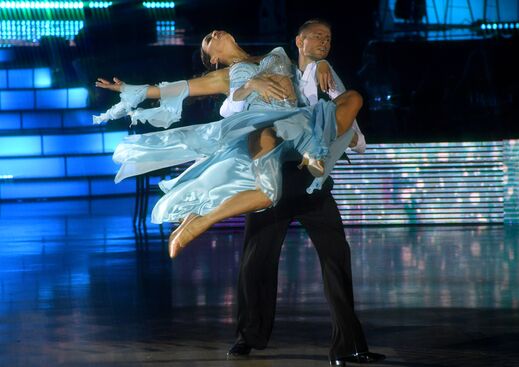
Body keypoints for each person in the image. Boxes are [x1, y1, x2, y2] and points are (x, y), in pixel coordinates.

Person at [94, 29, 364, 259]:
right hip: (264, 126)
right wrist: (128, 89)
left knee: (353, 98)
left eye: (214, 31)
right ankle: (199, 221)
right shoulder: (225, 76)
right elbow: (175, 88)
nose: (215, 33)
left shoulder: (277, 55)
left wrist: (323, 63)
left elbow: (306, 72)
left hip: (298, 121)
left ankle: (316, 152)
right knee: (268, 195)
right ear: (214, 58)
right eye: (210, 39)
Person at [225, 20, 385, 366]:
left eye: (329, 37)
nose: (324, 41)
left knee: (336, 258)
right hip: (273, 180)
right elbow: (231, 109)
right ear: (299, 40)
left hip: (312, 181)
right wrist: (250, 85)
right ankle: (247, 336)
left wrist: (352, 138)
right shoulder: (268, 67)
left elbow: (345, 113)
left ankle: (349, 345)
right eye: (317, 36)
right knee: (256, 260)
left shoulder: (327, 73)